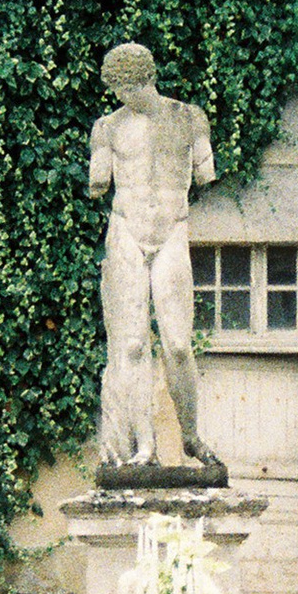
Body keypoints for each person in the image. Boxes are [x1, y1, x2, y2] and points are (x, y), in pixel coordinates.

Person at [89, 40, 216, 470]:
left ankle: (192, 436)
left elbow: (205, 173)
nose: (120, 97)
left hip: (172, 232)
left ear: (141, 80)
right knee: (132, 343)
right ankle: (146, 446)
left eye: (123, 88)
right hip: (126, 232)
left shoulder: (189, 118)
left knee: (179, 345)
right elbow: (98, 183)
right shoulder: (107, 127)